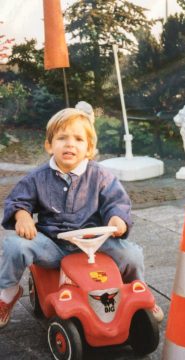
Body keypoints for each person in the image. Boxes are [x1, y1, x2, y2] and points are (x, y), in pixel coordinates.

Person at [0, 106, 164, 328]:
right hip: (54, 245)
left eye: (78, 139)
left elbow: (116, 202)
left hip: (96, 245)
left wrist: (117, 219)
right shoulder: (38, 178)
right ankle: (7, 293)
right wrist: (22, 216)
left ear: (89, 149)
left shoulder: (101, 176)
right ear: (49, 145)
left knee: (132, 253)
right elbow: (18, 200)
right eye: (62, 138)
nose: (70, 144)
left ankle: (138, 290)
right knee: (13, 246)